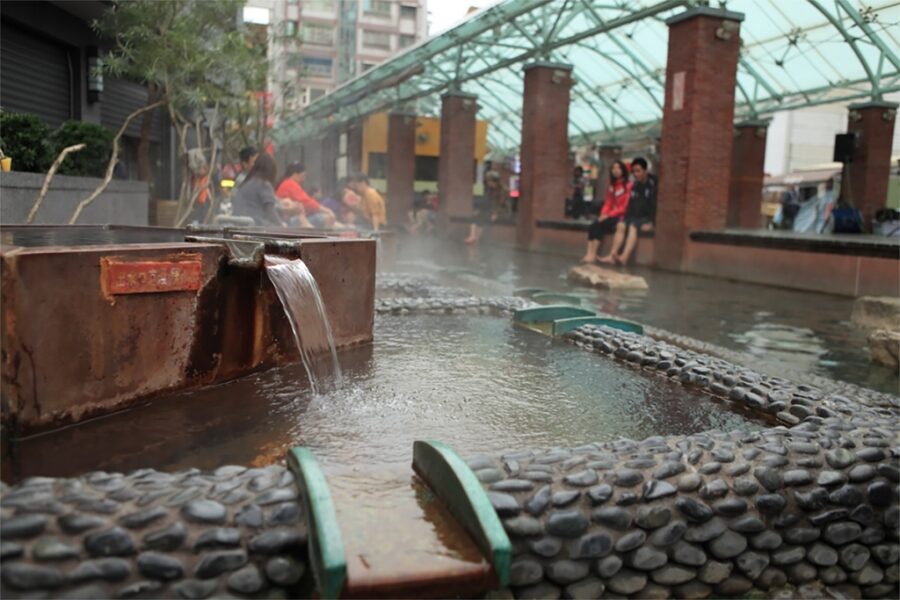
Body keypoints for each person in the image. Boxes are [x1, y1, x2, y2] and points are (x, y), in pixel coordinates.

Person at [601, 157, 656, 265]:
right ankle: (612, 255)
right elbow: (630, 204)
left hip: (645, 218)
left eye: (638, 171)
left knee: (632, 227)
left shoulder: (653, 184)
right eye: (634, 171)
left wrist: (652, 223)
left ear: (645, 171)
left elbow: (655, 205)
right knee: (621, 225)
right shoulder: (635, 186)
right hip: (633, 216)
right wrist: (624, 218)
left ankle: (624, 257)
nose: (635, 174)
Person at [581, 160, 631, 263]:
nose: (615, 171)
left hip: (622, 215)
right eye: (613, 168)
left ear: (623, 170)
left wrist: (608, 215)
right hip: (610, 215)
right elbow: (608, 202)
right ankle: (591, 254)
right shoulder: (612, 185)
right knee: (595, 225)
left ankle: (611, 256)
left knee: (619, 226)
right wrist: (603, 213)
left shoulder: (629, 185)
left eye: (618, 168)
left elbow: (625, 206)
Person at [231, 153, 285, 227]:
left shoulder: (246, 183)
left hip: (239, 224)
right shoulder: (264, 184)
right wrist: (281, 226)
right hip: (256, 226)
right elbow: (270, 212)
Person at [276, 162, 336, 228]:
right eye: (303, 176)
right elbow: (307, 202)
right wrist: (327, 210)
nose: (304, 179)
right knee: (328, 217)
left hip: (289, 219)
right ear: (295, 175)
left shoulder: (286, 183)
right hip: (290, 221)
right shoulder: (290, 184)